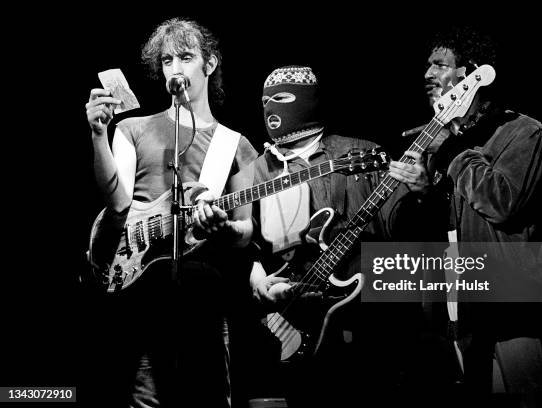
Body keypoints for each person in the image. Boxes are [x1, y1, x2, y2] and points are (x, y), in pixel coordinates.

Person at [85, 17, 258, 407]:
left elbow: (246, 230)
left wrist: (222, 226)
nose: (175, 69)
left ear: (209, 65)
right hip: (143, 294)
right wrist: (99, 135)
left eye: (186, 57)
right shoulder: (133, 128)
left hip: (205, 298)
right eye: (166, 61)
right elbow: (117, 204)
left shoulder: (237, 145)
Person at [247, 66, 431, 407]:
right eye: (265, 101)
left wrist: (421, 194)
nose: (272, 109)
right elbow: (243, 246)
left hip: (372, 323)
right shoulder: (256, 171)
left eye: (283, 98)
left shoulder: (361, 153)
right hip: (294, 322)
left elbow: (402, 230)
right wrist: (257, 279)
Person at [388, 27, 542, 404]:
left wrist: (456, 149)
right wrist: (426, 191)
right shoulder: (440, 140)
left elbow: (500, 202)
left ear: (470, 75)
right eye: (427, 65)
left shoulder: (522, 132)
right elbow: (448, 224)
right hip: (457, 306)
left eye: (440, 65)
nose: (428, 75)